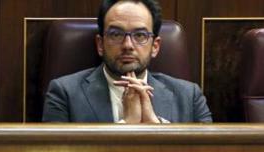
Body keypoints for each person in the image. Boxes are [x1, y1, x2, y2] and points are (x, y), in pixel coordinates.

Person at [42, 0, 212, 123]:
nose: (128, 45)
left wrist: (157, 129)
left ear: (155, 46)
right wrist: (126, 127)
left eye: (140, 35)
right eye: (116, 35)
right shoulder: (63, 94)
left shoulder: (190, 97)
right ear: (100, 44)